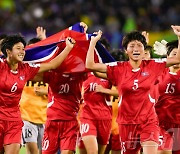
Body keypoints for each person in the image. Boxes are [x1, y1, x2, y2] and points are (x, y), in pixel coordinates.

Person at [85, 25, 180, 154]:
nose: (136, 48)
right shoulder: (118, 68)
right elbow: (90, 65)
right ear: (126, 50)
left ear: (144, 48)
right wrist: (93, 42)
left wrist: (179, 36)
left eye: (139, 45)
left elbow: (177, 59)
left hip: (148, 122)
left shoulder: (153, 65)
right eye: (132, 46)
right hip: (127, 123)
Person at [0, 34, 75, 154]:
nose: (22, 52)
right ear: (8, 51)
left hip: (14, 121)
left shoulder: (26, 68)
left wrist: (68, 48)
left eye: (23, 49)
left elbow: (52, 65)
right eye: (18, 48)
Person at [20, 26, 48, 154]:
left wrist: (44, 41)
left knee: (43, 151)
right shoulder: (22, 67)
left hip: (44, 118)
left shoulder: (47, 69)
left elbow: (59, 89)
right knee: (32, 152)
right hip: (26, 117)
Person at [78, 72, 118, 154]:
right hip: (87, 116)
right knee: (92, 151)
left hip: (105, 118)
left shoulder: (108, 74)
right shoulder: (83, 74)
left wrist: (104, 90)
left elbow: (121, 92)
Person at [155, 40, 180, 154]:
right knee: (163, 152)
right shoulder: (159, 72)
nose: (177, 57)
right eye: (174, 54)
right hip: (161, 123)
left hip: (178, 124)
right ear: (167, 56)